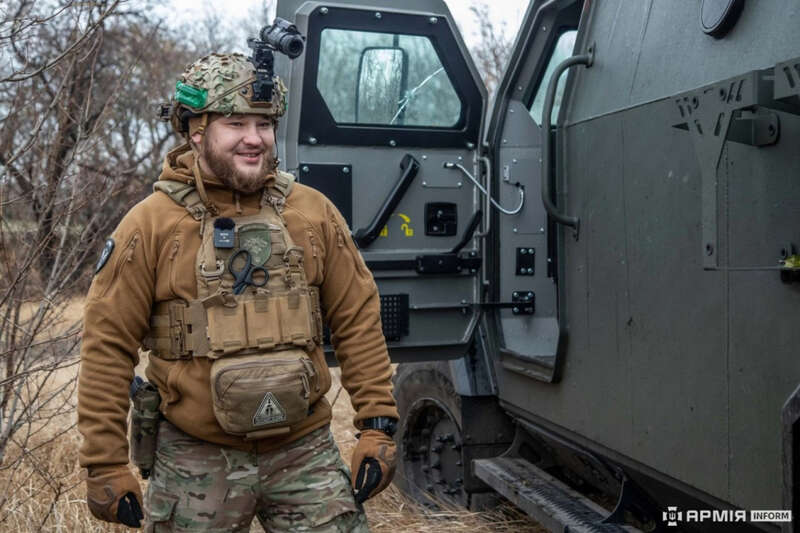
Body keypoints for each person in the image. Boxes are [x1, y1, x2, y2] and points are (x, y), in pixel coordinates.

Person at [77, 52, 399, 532]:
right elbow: (107, 346)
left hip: (303, 452)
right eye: (236, 123)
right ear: (196, 131)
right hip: (194, 457)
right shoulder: (151, 224)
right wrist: (104, 464)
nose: (255, 138)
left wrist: (377, 425)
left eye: (264, 124)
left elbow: (357, 320)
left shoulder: (311, 212)